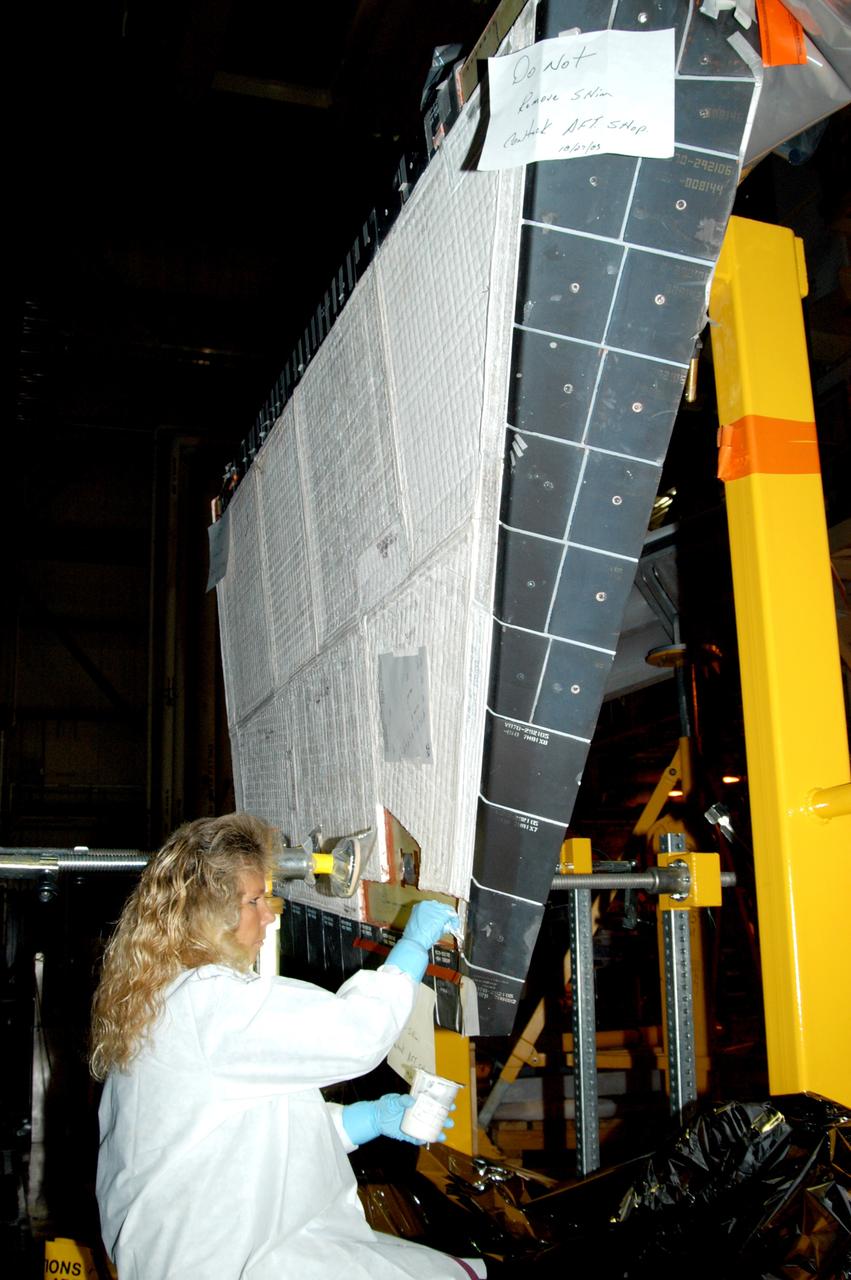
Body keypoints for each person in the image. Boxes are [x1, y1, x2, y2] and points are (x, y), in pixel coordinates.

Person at [90, 812, 484, 1279]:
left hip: (208, 1243)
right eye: (255, 900)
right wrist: (412, 948)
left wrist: (364, 1121)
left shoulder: (165, 997)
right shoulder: (209, 1005)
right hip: (219, 1258)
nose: (269, 913)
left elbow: (253, 1130)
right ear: (210, 915)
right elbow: (355, 1034)